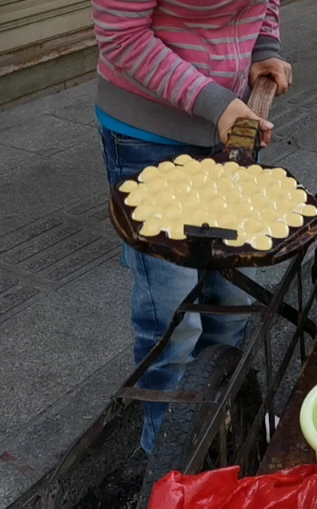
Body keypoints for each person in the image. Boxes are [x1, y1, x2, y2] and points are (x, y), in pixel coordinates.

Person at [91, 0, 293, 453]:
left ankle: (224, 421)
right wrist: (215, 103)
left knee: (232, 295)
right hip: (148, 134)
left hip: (228, 127)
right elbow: (122, 34)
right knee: (173, 315)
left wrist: (263, 46)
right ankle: (168, 458)